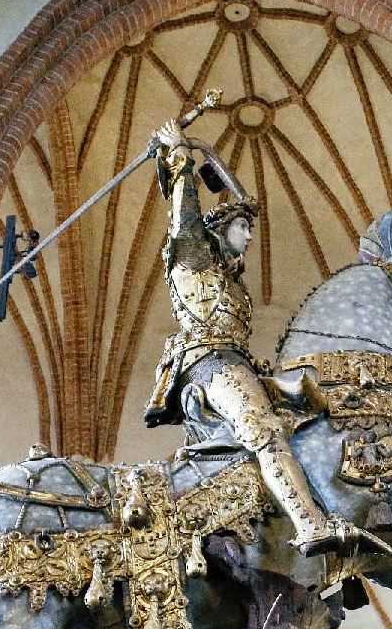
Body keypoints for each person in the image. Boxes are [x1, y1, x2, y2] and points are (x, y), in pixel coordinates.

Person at [144, 119, 357, 558]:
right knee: (263, 430)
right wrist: (181, 160)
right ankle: (310, 525)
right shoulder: (195, 260)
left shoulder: (231, 281)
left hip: (235, 361)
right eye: (242, 226)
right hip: (208, 363)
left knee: (308, 414)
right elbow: (185, 222)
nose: (249, 233)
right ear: (219, 231)